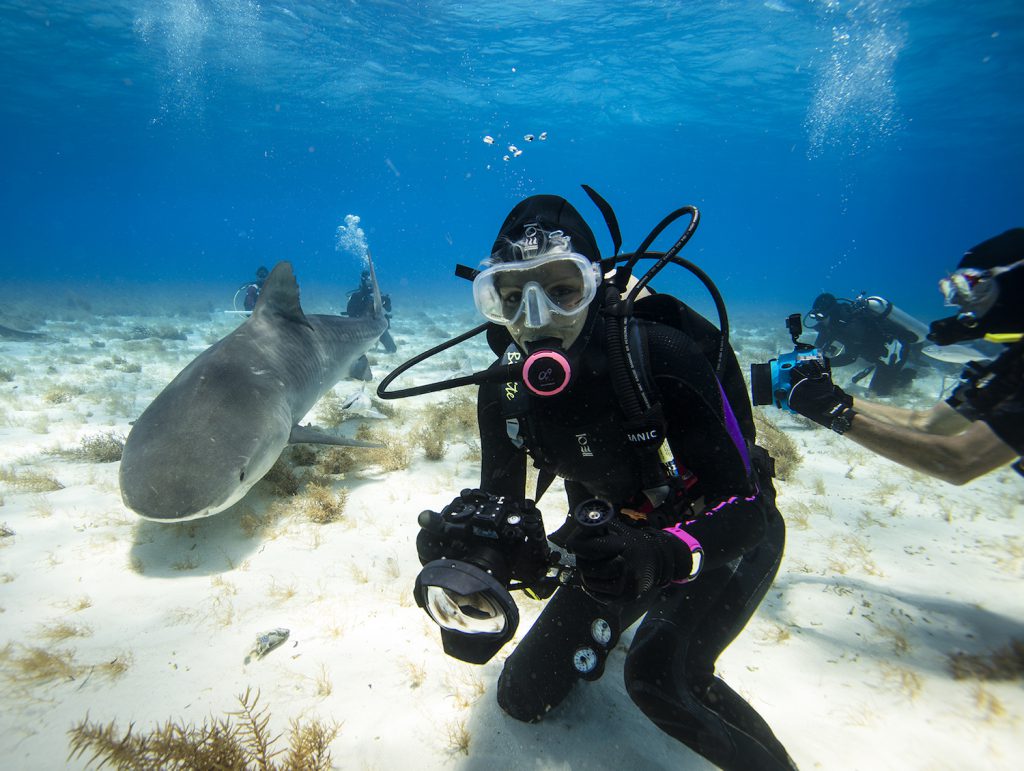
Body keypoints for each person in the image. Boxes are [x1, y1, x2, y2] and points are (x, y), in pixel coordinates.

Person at [412, 194, 796, 770]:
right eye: (512, 297)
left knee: (660, 680)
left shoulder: (659, 355)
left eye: (562, 291)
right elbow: (509, 511)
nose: (536, 318)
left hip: (722, 537)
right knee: (521, 695)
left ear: (599, 286)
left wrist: (665, 556)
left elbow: (747, 512)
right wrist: (477, 565)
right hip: (614, 538)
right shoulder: (505, 388)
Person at [780, 228, 1024, 485]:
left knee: (885, 385)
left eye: (972, 287)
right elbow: (928, 424)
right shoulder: (1016, 361)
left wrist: (831, 413)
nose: (964, 306)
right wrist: (832, 394)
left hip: (890, 357)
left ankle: (907, 373)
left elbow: (961, 462)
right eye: (953, 293)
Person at [804, 291, 929, 396]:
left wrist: (823, 364)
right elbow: (817, 349)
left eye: (820, 316)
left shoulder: (852, 324)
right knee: (880, 387)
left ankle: (907, 376)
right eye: (816, 317)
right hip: (878, 355)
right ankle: (896, 372)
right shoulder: (831, 324)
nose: (819, 320)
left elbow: (850, 357)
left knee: (879, 393)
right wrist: (802, 359)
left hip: (894, 351)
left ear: (831, 312)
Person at [347, 269, 397, 353]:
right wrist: (360, 296)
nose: (369, 284)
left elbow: (388, 309)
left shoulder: (379, 296)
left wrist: (387, 302)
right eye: (367, 281)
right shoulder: (356, 296)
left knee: (392, 349)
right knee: (354, 351)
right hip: (360, 327)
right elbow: (350, 312)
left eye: (370, 281)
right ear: (362, 282)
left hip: (376, 326)